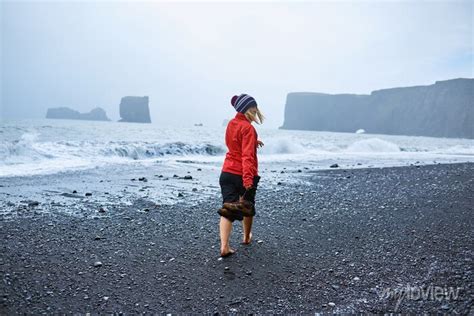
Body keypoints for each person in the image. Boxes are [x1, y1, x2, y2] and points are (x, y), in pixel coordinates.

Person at [218, 93, 265, 257]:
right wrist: (248, 180)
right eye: (254, 110)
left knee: (227, 210)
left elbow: (233, 144)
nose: (256, 114)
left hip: (226, 172)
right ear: (249, 110)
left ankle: (224, 246)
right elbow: (246, 156)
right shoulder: (249, 128)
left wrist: (253, 142)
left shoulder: (231, 123)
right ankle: (246, 237)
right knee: (248, 205)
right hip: (243, 174)